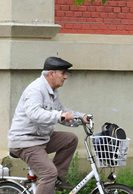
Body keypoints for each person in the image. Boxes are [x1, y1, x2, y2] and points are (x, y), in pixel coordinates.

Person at [8, 57, 90, 194]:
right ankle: (52, 178)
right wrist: (59, 116)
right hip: (25, 141)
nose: (65, 77)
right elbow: (34, 113)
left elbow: (62, 112)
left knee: (70, 140)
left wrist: (82, 118)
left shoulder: (52, 92)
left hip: (40, 138)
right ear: (51, 74)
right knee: (49, 173)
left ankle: (57, 179)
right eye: (63, 73)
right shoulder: (36, 89)